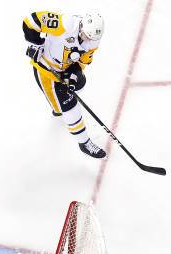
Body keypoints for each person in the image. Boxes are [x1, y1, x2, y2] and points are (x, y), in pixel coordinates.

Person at [23, 11, 106, 159]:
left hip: (65, 70)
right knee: (63, 107)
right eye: (86, 35)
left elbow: (82, 62)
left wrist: (73, 77)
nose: (87, 40)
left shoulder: (93, 40)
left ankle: (82, 141)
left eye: (91, 38)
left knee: (76, 89)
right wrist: (35, 44)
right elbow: (30, 21)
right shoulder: (65, 24)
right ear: (81, 26)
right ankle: (83, 141)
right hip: (46, 72)